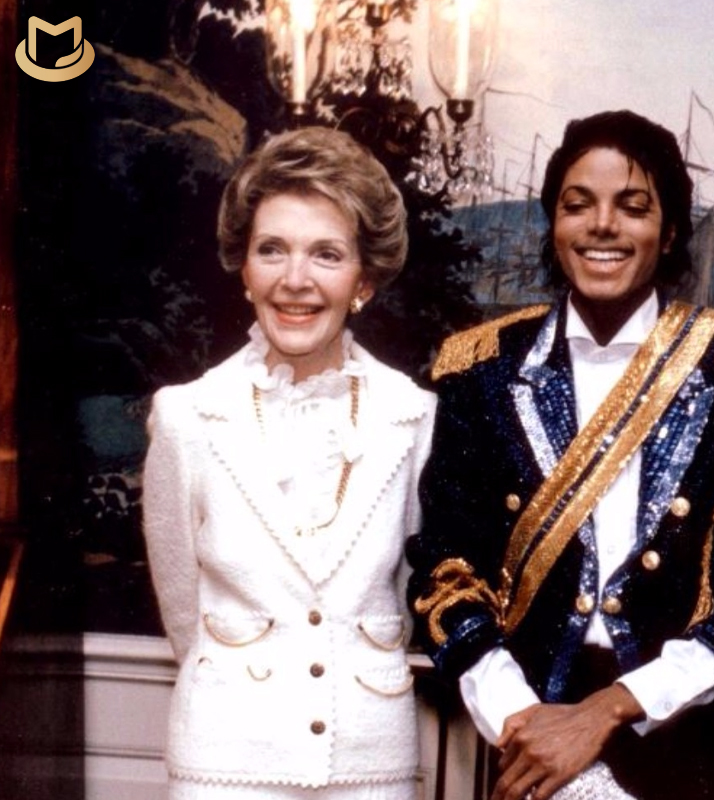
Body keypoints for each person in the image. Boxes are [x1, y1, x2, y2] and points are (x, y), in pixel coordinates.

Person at [407, 109, 714, 800]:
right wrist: (524, 723)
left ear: (671, 231)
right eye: (578, 205)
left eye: (632, 207)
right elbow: (446, 574)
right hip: (520, 737)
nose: (603, 225)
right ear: (553, 224)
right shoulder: (481, 369)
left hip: (680, 736)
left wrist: (611, 709)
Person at [142, 126, 436, 800]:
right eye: (272, 249)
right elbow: (183, 611)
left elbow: (404, 595)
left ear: (364, 279)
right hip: (222, 763)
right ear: (244, 269)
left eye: (326, 254)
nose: (294, 280)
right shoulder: (187, 418)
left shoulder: (414, 417)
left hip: (371, 763)